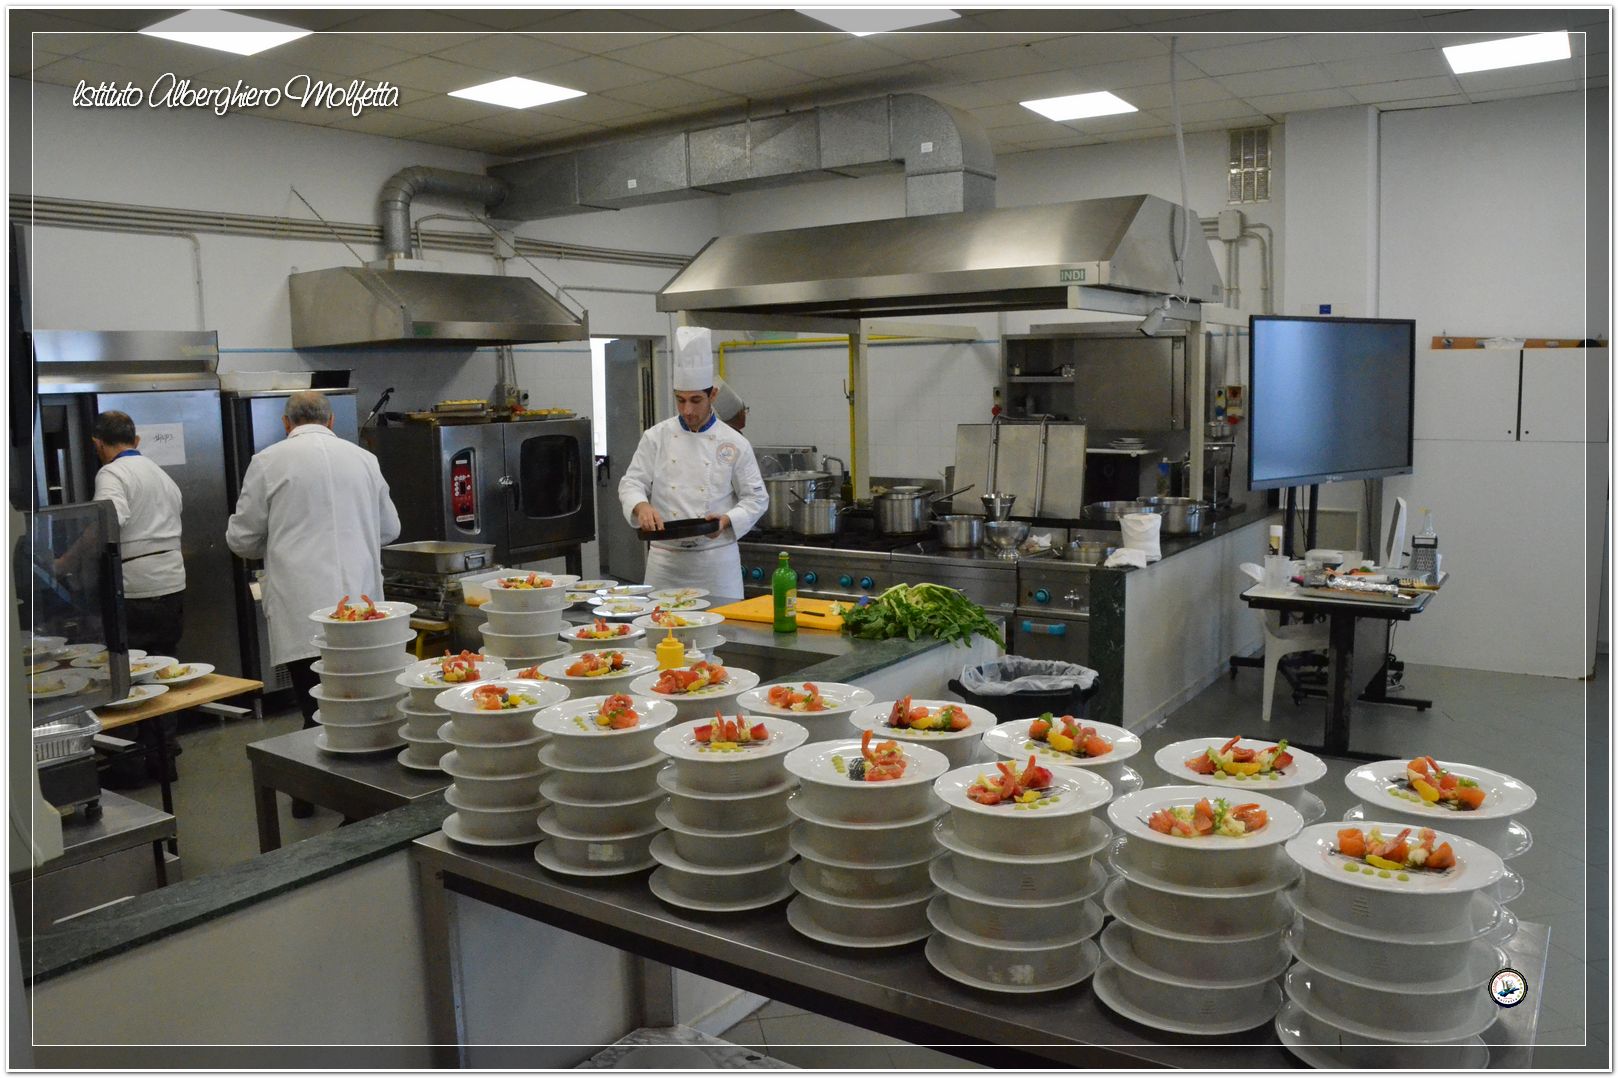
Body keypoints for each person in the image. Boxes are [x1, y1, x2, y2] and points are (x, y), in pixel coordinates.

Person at [227, 391, 400, 815]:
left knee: (313, 700)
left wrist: (280, 537)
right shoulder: (364, 460)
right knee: (355, 702)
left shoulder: (268, 462)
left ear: (286, 423)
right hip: (360, 605)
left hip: (302, 603)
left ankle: (311, 792)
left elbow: (242, 539)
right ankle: (351, 794)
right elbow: (390, 529)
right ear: (331, 420)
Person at [67, 411, 187, 779]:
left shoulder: (112, 474)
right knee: (164, 668)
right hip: (173, 583)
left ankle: (132, 764)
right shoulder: (161, 475)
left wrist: (68, 560)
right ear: (136, 441)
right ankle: (164, 758)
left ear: (97, 444)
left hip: (137, 588)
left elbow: (108, 521)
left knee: (132, 673)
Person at [619, 327, 768, 598]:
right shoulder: (656, 437)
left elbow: (756, 498)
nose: (687, 410)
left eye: (696, 400)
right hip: (665, 563)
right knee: (662, 624)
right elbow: (632, 483)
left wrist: (727, 519)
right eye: (680, 400)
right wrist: (641, 506)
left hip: (716, 564)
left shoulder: (733, 442)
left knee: (723, 625)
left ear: (713, 396)